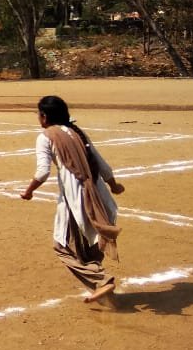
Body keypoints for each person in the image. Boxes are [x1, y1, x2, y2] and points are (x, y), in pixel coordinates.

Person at [20, 95, 124, 306]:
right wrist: (113, 185)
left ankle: (101, 280)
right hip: (99, 193)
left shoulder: (46, 137)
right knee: (90, 244)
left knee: (62, 246)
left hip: (76, 197)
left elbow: (42, 172)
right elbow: (102, 164)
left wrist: (29, 191)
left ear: (44, 116)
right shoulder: (77, 131)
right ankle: (104, 293)